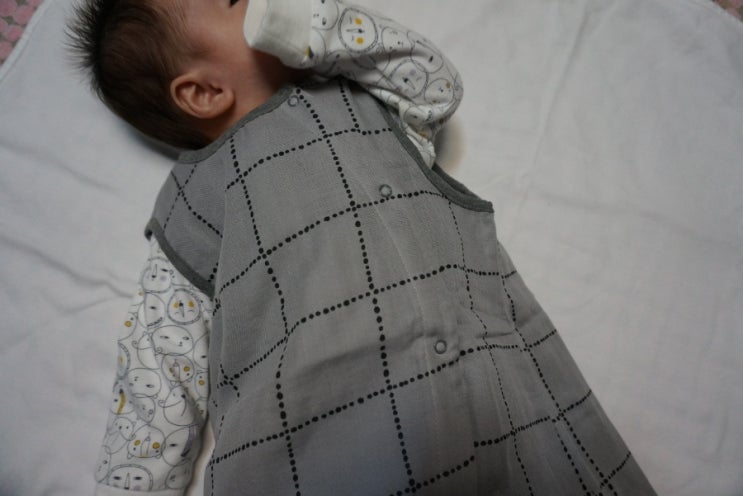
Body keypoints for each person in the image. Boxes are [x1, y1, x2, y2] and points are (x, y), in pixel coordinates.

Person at [68, 0, 657, 494]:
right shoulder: (193, 197)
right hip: (313, 438)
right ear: (203, 91)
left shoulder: (366, 98)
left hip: (494, 389)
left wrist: (310, 28)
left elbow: (435, 82)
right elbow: (157, 360)